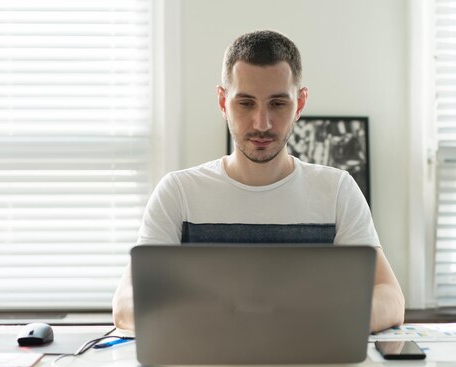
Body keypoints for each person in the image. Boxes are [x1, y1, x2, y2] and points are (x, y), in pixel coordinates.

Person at [112, 30, 405, 332]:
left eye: (278, 104)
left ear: (300, 104)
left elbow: (390, 297)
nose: (262, 123)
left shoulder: (337, 190)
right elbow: (125, 303)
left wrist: (317, 322)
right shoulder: (178, 193)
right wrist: (209, 322)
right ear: (223, 102)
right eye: (246, 103)